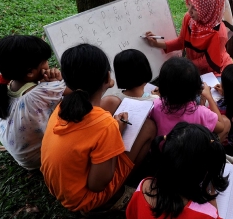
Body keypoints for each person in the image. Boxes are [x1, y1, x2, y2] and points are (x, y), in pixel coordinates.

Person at [40, 44, 156, 214]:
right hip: (85, 199)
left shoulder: (62, 107)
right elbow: (97, 185)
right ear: (107, 77)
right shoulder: (106, 126)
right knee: (149, 128)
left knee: (113, 102)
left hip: (63, 188)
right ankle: (113, 198)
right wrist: (117, 132)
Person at [0, 35, 67, 170]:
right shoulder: (39, 93)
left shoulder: (9, 85)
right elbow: (74, 90)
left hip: (22, 154)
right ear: (30, 72)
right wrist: (58, 80)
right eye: (45, 61)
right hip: (38, 157)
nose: (48, 64)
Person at [126, 122, 228, 219]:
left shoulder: (144, 186)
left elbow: (131, 215)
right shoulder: (206, 214)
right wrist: (211, 198)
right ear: (200, 173)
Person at [145, 0, 233, 76]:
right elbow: (181, 42)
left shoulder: (219, 33)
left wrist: (183, 66)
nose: (189, 11)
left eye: (195, 9)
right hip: (194, 68)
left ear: (208, 9)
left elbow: (207, 61)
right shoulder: (189, 19)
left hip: (215, 71)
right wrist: (156, 44)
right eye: (189, 4)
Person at [149, 57, 230, 142]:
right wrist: (209, 97)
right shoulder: (201, 112)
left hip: (164, 151)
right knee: (226, 122)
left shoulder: (155, 105)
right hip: (191, 152)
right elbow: (221, 127)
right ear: (196, 87)